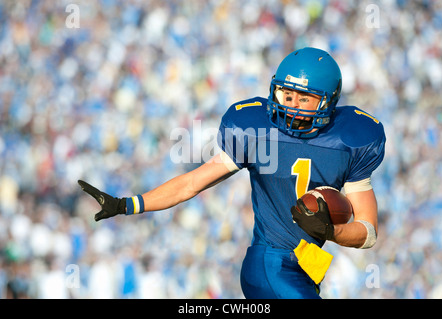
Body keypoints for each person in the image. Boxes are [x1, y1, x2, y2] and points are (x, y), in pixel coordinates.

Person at [78, 47, 386, 299]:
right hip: (269, 264)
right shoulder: (255, 130)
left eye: (304, 98)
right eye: (286, 95)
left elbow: (368, 231)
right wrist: (127, 204)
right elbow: (192, 183)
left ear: (329, 101)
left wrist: (332, 232)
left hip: (309, 267)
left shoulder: (350, 139)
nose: (292, 106)